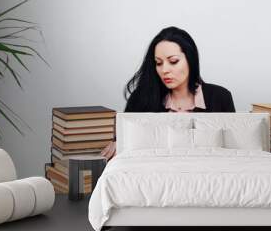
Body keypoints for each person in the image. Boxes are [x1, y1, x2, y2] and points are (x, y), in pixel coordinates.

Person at [101, 26, 235, 160]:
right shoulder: (141, 98)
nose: (164, 69)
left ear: (190, 59)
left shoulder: (221, 97)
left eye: (173, 61)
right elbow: (125, 140)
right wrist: (119, 144)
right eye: (158, 63)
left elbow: (232, 147)